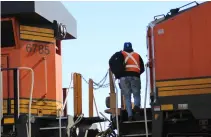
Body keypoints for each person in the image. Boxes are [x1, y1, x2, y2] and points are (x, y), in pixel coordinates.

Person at [109, 42, 145, 121]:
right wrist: (137, 73)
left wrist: (118, 74)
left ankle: (130, 115)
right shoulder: (137, 55)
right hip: (135, 76)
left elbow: (112, 62)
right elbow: (142, 68)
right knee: (136, 94)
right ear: (131, 47)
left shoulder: (121, 54)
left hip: (123, 77)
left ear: (124, 48)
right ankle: (136, 106)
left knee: (127, 97)